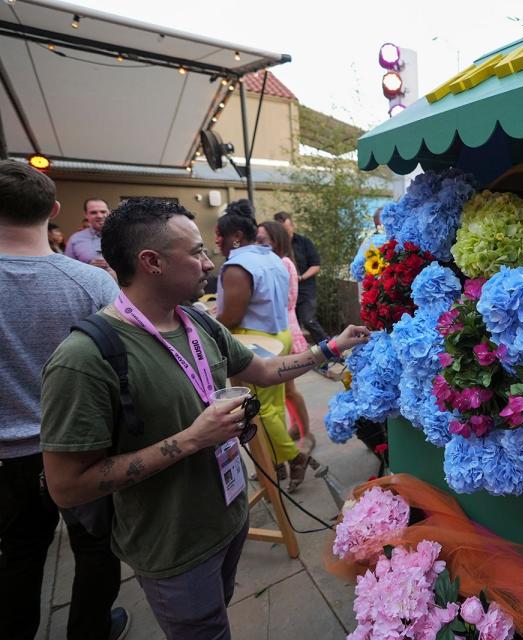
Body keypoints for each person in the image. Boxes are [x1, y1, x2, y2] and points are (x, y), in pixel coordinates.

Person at [40, 197, 369, 639]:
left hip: (230, 518)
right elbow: (66, 486)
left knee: (217, 614)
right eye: (195, 252)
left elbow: (264, 370)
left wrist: (331, 347)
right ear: (152, 262)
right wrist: (193, 439)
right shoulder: (84, 359)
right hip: (175, 549)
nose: (209, 262)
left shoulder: (198, 322)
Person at [0, 160, 129, 640]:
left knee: (17, 555)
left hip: (6, 458)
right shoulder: (93, 283)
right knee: (97, 549)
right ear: (54, 211)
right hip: (83, 447)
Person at [216, 201, 314, 490]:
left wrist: (210, 321)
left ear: (234, 236)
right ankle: (274, 462)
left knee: (261, 410)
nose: (216, 242)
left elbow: (232, 316)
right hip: (278, 333)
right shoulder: (272, 258)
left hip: (254, 341)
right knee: (273, 406)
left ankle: (294, 457)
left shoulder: (237, 266)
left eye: (218, 236)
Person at [257, 220, 314, 451]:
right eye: (257, 239)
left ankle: (305, 433)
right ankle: (297, 428)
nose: (258, 244)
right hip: (276, 329)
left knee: (288, 390)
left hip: (283, 329)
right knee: (285, 391)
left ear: (276, 240)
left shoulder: (283, 263)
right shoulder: (272, 262)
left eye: (263, 240)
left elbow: (287, 300)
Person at [272, 211, 326, 343]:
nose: (285, 231)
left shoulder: (304, 242)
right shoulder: (275, 247)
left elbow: (316, 266)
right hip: (285, 292)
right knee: (290, 327)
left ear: (292, 226)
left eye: (287, 227)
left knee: (309, 320)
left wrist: (300, 277)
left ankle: (330, 349)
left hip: (305, 289)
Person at [65, 198, 112, 272]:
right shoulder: (75, 239)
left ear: (109, 213)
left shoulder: (122, 236)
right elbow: (67, 269)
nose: (99, 216)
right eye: (93, 212)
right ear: (86, 215)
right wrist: (87, 268)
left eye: (103, 211)